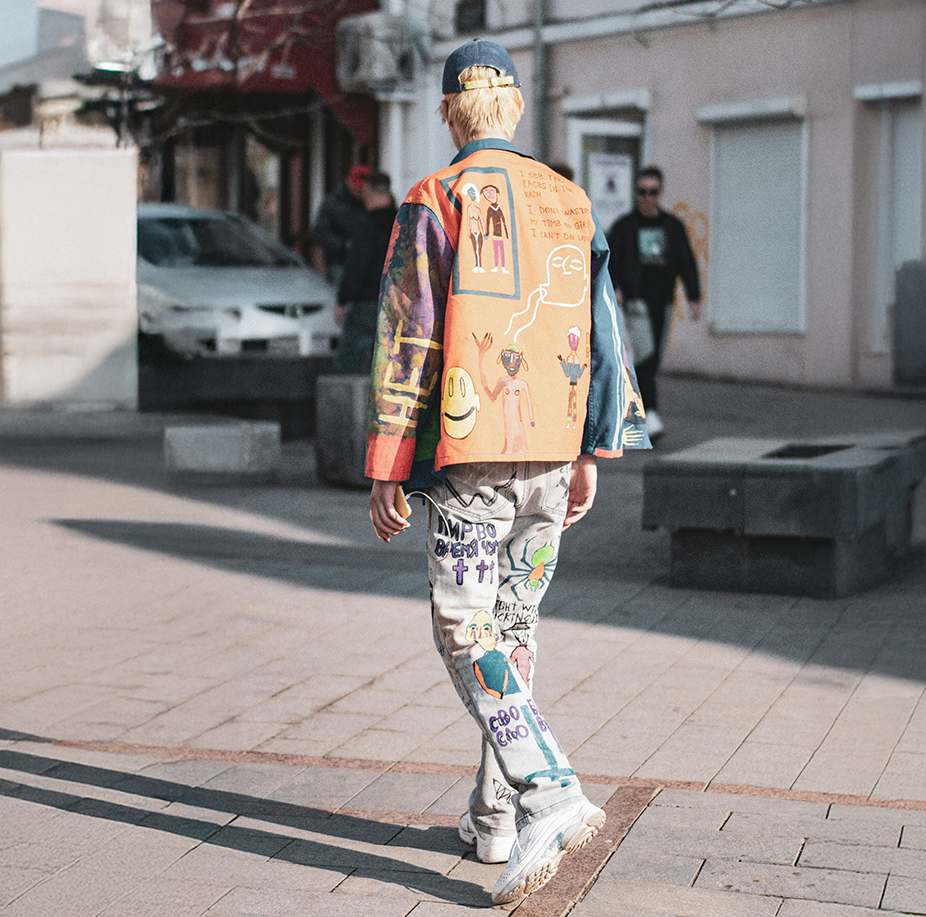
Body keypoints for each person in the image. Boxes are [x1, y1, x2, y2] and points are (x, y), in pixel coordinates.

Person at [366, 39, 649, 906]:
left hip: (471, 454)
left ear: (452, 111)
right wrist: (596, 449)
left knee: (463, 622)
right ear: (517, 108)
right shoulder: (569, 198)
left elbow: (409, 334)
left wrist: (387, 458)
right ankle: (494, 818)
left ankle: (547, 788)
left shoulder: (436, 197)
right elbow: (606, 330)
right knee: (514, 623)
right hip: (553, 449)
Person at [607, 165, 701, 439]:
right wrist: (615, 289)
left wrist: (693, 297)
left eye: (653, 192)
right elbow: (610, 259)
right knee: (645, 357)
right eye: (642, 192)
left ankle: (634, 410)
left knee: (653, 357)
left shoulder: (672, 227)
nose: (647, 197)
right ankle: (652, 414)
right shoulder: (625, 227)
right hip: (636, 302)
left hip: (663, 302)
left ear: (660, 193)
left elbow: (686, 261)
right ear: (636, 194)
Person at [333, 171, 397, 374]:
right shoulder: (402, 222)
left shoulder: (366, 225)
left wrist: (343, 300)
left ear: (367, 193)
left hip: (367, 301)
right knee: (387, 363)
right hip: (397, 300)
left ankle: (346, 406)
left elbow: (357, 265)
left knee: (349, 361)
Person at [310, 163, 371, 286]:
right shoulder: (333, 202)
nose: (359, 192)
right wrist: (343, 244)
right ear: (348, 182)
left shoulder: (372, 202)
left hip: (368, 263)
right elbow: (320, 232)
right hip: (340, 262)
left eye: (362, 189)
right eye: (356, 188)